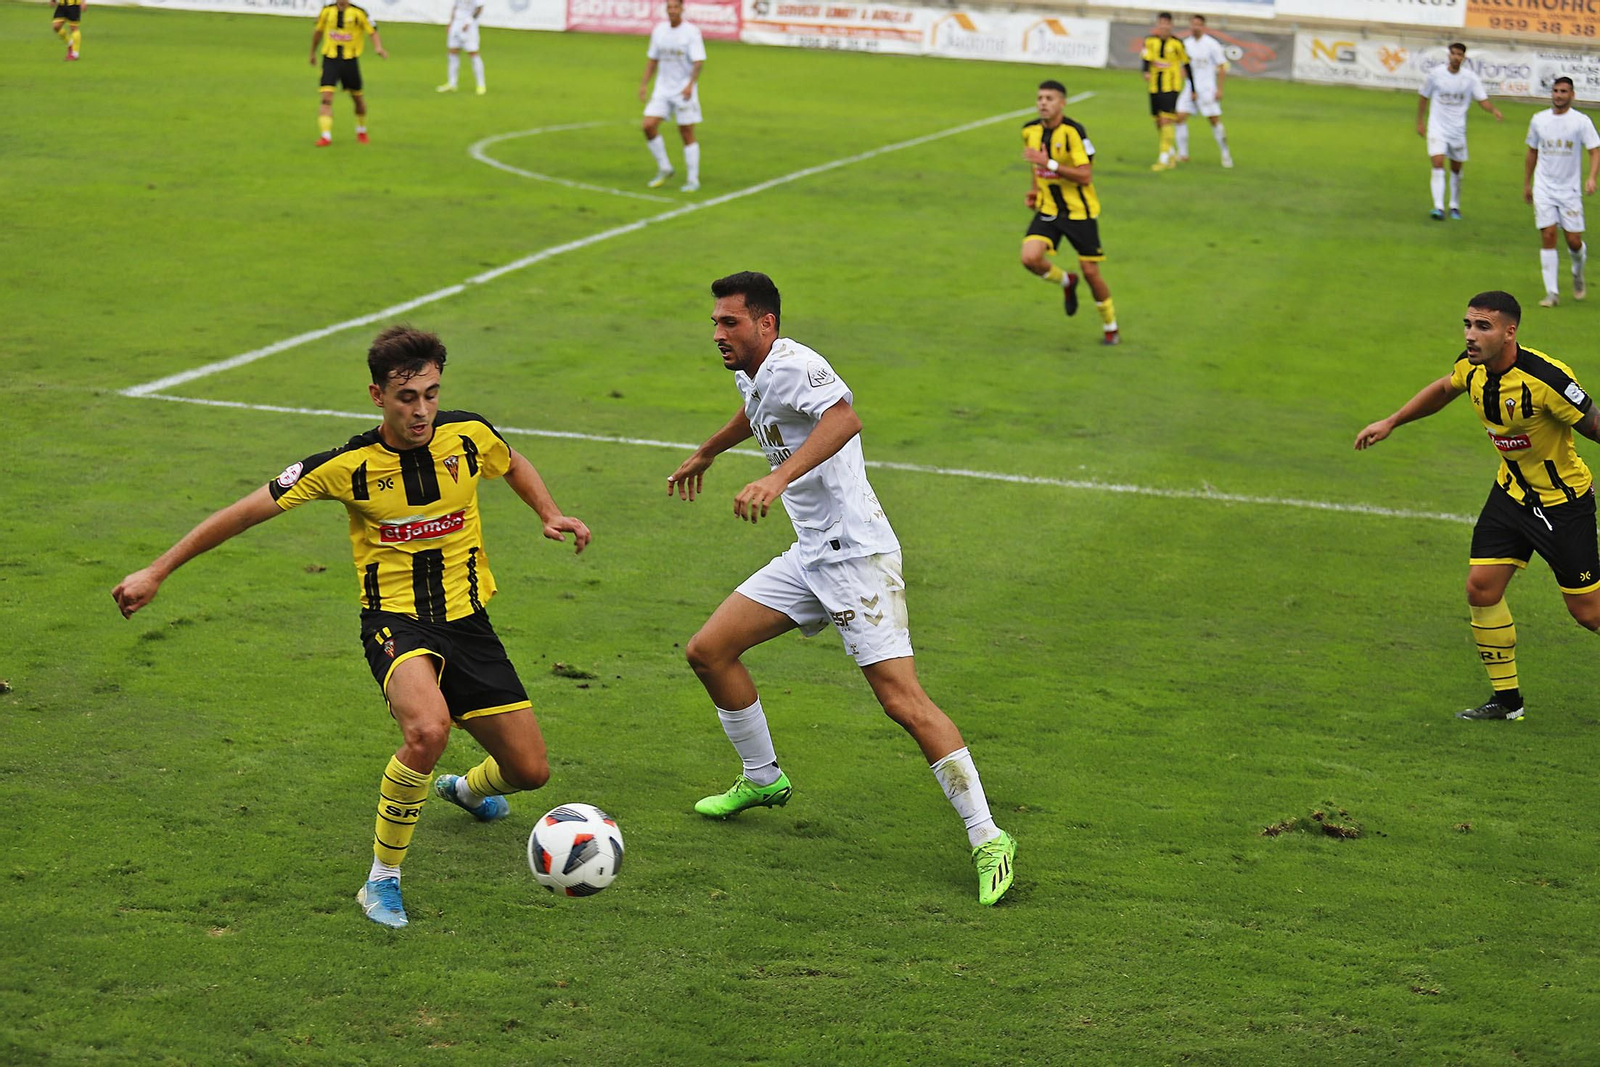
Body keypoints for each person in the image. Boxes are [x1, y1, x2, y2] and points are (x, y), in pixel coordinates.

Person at [112, 326, 592, 927]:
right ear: (376, 395)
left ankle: (466, 791)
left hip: (469, 623)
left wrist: (548, 513)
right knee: (427, 732)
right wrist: (157, 570)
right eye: (406, 397)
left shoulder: (469, 435)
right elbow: (244, 513)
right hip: (395, 624)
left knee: (530, 772)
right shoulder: (347, 466)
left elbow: (512, 462)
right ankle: (382, 880)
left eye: (431, 394)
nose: (421, 410)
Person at [665, 271, 1018, 905]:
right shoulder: (753, 370)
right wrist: (708, 451)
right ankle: (762, 777)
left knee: (902, 701)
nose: (717, 333)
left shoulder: (799, 363)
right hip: (810, 557)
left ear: (766, 323)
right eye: (715, 322)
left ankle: (989, 836)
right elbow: (759, 411)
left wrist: (775, 483)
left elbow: (843, 420)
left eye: (730, 323)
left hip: (856, 557)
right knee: (708, 651)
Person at [1355, 290, 1600, 720]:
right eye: (1468, 325)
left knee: (1589, 614)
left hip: (1562, 505)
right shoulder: (1472, 367)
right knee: (1481, 588)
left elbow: (1595, 423)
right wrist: (1392, 421)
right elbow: (1443, 389)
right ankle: (1507, 702)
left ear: (1510, 332)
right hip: (1510, 495)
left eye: (1482, 326)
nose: (1471, 334)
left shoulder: (1545, 378)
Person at [1020, 80, 1119, 346]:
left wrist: (1049, 163)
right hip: (1049, 210)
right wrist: (1034, 191)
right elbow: (1034, 167)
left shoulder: (1075, 132)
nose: (1043, 103)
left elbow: (1085, 176)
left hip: (1079, 213)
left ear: (1062, 103)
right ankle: (1066, 281)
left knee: (1091, 272)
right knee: (1029, 258)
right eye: (1040, 98)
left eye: (1049, 98)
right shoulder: (1029, 130)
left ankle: (1111, 326)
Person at [1524, 77, 1600, 307]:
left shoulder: (1581, 121)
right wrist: (1527, 183)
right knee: (1547, 234)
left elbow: (1595, 151)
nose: (1558, 95)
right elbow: (1532, 152)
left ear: (1572, 95)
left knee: (1574, 241)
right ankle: (1552, 293)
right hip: (1544, 187)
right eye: (1555, 91)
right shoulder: (1539, 120)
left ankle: (1577, 272)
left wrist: (1591, 178)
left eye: (1563, 91)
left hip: (1570, 190)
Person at [1416, 43, 1502, 221]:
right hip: (1437, 127)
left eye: (1459, 54)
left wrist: (1493, 110)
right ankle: (1438, 207)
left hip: (1457, 130)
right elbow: (1424, 96)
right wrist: (1420, 122)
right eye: (1453, 54)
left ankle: (1454, 205)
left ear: (1464, 58)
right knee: (1438, 163)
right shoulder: (1436, 75)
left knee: (1456, 169)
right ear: (1449, 55)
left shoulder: (1470, 78)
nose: (1456, 57)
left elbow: (1482, 99)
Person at [637, 0, 705, 192]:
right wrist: (644, 84)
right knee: (648, 126)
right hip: (662, 90)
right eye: (669, 7)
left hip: (683, 90)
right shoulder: (659, 30)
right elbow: (653, 59)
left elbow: (698, 61)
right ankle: (665, 167)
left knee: (686, 132)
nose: (672, 11)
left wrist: (691, 84)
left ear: (682, 9)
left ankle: (693, 179)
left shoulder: (691, 32)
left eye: (676, 7)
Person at [310, 0, 386, 148]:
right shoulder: (326, 11)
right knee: (326, 97)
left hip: (350, 62)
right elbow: (318, 32)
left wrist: (378, 47)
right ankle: (325, 135)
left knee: (357, 99)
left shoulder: (359, 12)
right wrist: (312, 52)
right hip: (330, 60)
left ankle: (361, 130)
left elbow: (372, 30)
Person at [1175, 15, 1231, 168]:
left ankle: (1225, 153)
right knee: (1179, 117)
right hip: (1189, 88)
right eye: (1193, 24)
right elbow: (1183, 67)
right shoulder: (1186, 44)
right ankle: (1183, 154)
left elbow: (1222, 67)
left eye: (1199, 24)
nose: (1195, 27)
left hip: (1207, 89)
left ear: (1204, 27)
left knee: (1214, 120)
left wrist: (1219, 89)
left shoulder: (1212, 44)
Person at [1141, 12, 1191, 171]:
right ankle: (1170, 152)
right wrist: (1146, 71)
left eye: (1166, 23)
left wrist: (1193, 87)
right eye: (1161, 23)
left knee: (1166, 120)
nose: (1163, 26)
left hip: (1171, 87)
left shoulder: (1177, 43)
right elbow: (1146, 58)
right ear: (1158, 25)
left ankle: (1162, 159)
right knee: (1158, 121)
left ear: (1171, 25)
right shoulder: (1150, 41)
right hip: (1154, 86)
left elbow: (1187, 64)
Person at [436, 0, 486, 95]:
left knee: (473, 53)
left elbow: (479, 8)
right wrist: (451, 22)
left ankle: (481, 85)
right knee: (452, 52)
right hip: (456, 24)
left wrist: (469, 21)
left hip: (469, 26)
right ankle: (452, 83)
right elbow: (456, 6)